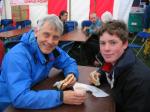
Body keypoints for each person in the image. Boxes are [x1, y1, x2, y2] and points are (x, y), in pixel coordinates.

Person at [0, 14, 86, 111]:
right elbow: (19, 98)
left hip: (34, 92)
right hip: (7, 105)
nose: (50, 41)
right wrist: (61, 97)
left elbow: (69, 62)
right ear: (36, 32)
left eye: (55, 37)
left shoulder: (53, 51)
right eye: (46, 35)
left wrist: (72, 73)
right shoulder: (17, 57)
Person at [89, 20, 150, 112]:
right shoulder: (116, 61)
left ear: (125, 44)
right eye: (102, 43)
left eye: (113, 43)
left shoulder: (139, 80)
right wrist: (99, 74)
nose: (106, 49)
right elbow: (108, 70)